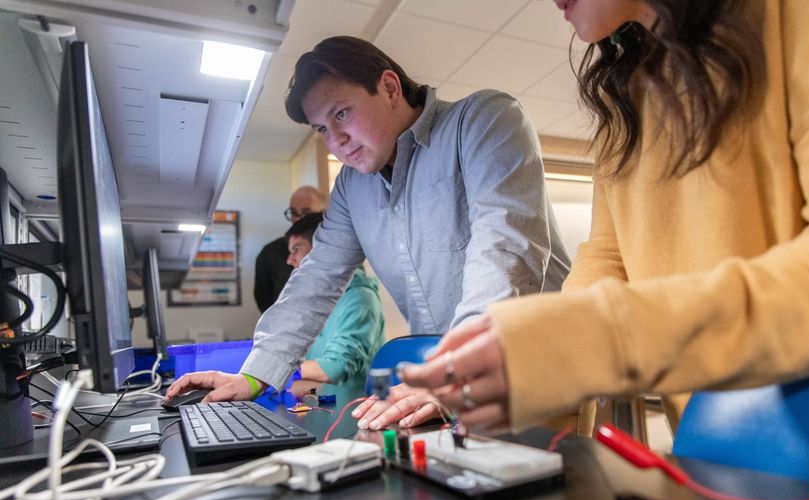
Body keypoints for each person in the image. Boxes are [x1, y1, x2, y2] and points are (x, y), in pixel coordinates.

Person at [366, 0, 809, 435]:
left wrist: (597, 340)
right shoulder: (625, 94)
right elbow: (606, 254)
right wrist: (527, 358)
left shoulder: (807, 13)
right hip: (719, 448)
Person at [166, 36, 570, 405]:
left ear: (390, 88)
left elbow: (504, 250)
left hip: (539, 368)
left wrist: (455, 369)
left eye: (341, 113)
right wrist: (254, 375)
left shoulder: (484, 121)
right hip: (456, 387)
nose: (335, 140)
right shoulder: (351, 187)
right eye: (323, 128)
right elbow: (315, 278)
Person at [285, 212, 384, 391]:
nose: (290, 260)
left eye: (297, 250)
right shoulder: (319, 298)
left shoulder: (360, 298)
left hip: (353, 410)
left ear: (322, 250)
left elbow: (335, 368)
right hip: (322, 401)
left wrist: (273, 369)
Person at [253, 185, 326, 313]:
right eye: (293, 213)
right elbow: (265, 303)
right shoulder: (270, 254)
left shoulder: (342, 251)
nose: (298, 219)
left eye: (306, 213)